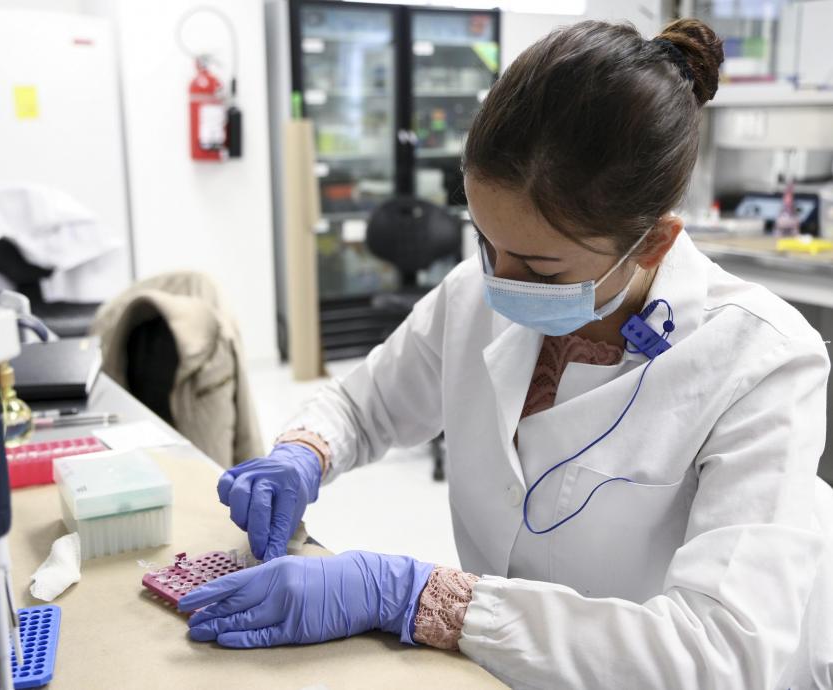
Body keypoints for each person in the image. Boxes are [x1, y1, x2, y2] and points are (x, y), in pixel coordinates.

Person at [179, 18, 833, 688]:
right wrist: (304, 453)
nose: (502, 284)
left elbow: (719, 654)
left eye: (543, 269)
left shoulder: (763, 362)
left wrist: (416, 596)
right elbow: (362, 406)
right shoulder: (474, 294)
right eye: (488, 243)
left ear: (654, 245)